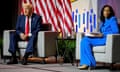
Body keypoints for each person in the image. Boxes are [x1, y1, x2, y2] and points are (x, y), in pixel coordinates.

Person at [78, 5, 119, 69]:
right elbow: (102, 31)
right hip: (101, 37)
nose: (106, 12)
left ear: (110, 12)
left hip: (106, 39)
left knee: (85, 40)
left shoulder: (112, 19)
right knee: (84, 40)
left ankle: (89, 63)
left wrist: (103, 35)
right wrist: (95, 34)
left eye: (108, 10)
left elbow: (116, 32)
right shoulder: (103, 21)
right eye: (105, 10)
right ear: (102, 12)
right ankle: (87, 63)